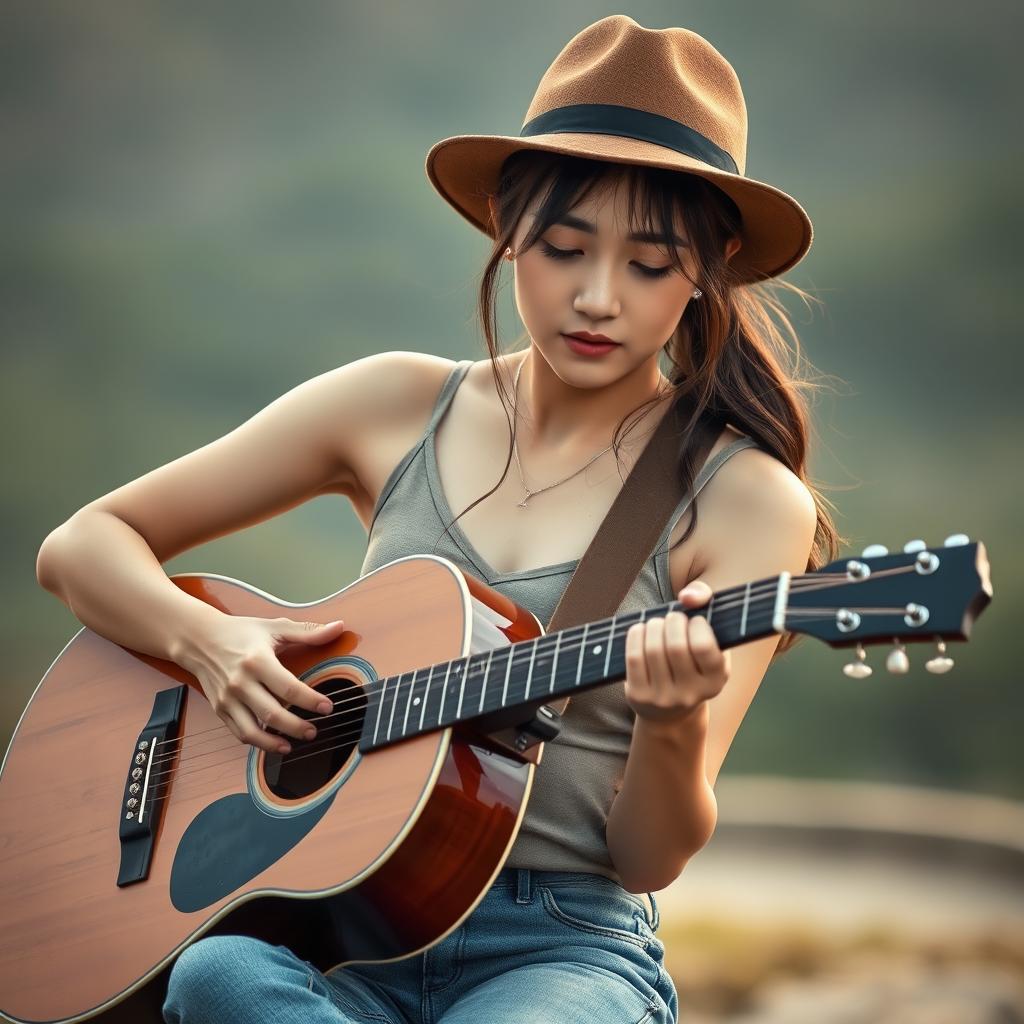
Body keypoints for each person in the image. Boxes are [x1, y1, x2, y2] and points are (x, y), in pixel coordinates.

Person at [35, 15, 840, 1024]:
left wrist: (672, 723)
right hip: (334, 937)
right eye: (562, 246)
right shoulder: (393, 407)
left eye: (648, 263)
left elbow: (648, 857)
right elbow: (81, 546)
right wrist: (211, 645)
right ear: (508, 231)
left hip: (559, 948)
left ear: (706, 268)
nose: (596, 297)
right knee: (215, 977)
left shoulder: (745, 497)